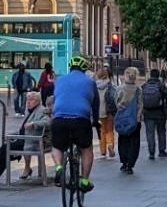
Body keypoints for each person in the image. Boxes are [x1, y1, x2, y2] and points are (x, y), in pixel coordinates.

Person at [49, 56, 98, 191]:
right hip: (80, 119)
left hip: (59, 118)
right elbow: (95, 104)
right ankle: (84, 180)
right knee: (86, 149)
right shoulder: (90, 82)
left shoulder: (59, 80)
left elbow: (56, 97)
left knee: (57, 146)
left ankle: (59, 167)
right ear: (84, 69)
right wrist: (96, 121)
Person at [14, 91, 52, 181]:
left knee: (6, 148)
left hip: (33, 141)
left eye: (31, 100)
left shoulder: (42, 110)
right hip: (26, 138)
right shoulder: (32, 111)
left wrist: (33, 123)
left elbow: (48, 122)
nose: (28, 102)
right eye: (27, 100)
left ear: (38, 101)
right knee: (5, 148)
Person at [112, 67, 143, 174]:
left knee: (122, 140)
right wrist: (138, 117)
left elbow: (116, 103)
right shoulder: (138, 90)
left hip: (122, 119)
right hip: (134, 119)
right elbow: (140, 105)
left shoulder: (119, 89)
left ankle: (124, 162)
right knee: (134, 142)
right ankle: (130, 164)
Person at [140, 69, 167, 160]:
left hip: (148, 113)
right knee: (161, 132)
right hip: (160, 113)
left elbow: (140, 99)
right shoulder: (161, 86)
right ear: (158, 76)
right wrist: (166, 108)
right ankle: (161, 151)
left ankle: (151, 153)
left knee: (150, 133)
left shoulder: (144, 86)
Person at [94, 65, 115, 158]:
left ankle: (103, 151)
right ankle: (110, 145)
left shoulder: (94, 86)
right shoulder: (110, 85)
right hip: (109, 110)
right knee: (109, 130)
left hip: (99, 111)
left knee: (101, 131)